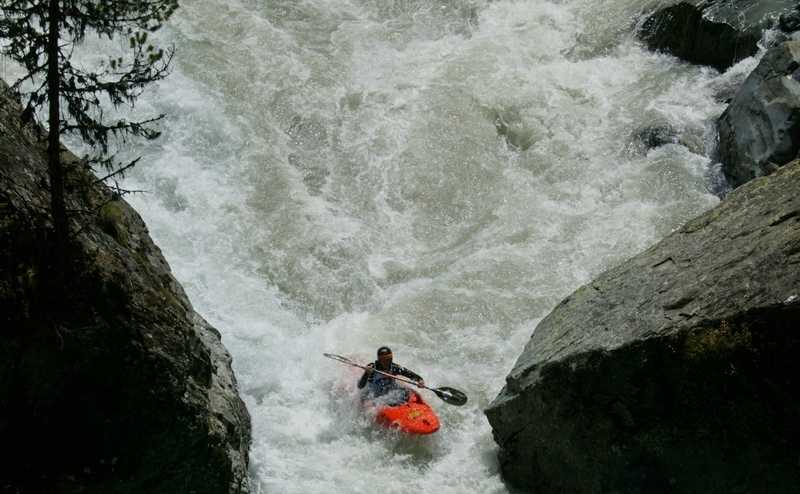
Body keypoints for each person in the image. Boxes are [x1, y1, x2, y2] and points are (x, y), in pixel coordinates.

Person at [357, 347, 425, 403]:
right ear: (379, 360)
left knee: (405, 393)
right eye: (383, 360)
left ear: (391, 359)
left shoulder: (394, 368)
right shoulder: (372, 369)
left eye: (388, 360)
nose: (386, 363)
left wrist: (420, 380)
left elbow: (410, 374)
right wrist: (366, 373)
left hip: (390, 394)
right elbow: (360, 386)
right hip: (374, 396)